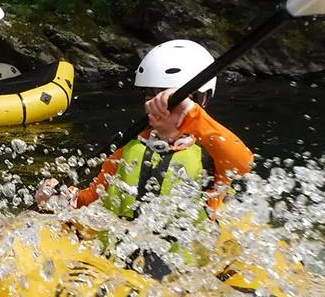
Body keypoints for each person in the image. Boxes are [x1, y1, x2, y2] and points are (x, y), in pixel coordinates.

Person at [36, 39, 253, 218]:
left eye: (171, 96)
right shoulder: (129, 146)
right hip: (116, 263)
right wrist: (60, 197)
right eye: (152, 94)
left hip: (184, 268)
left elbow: (242, 164)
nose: (159, 102)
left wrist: (191, 117)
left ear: (202, 98)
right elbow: (90, 199)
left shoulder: (210, 154)